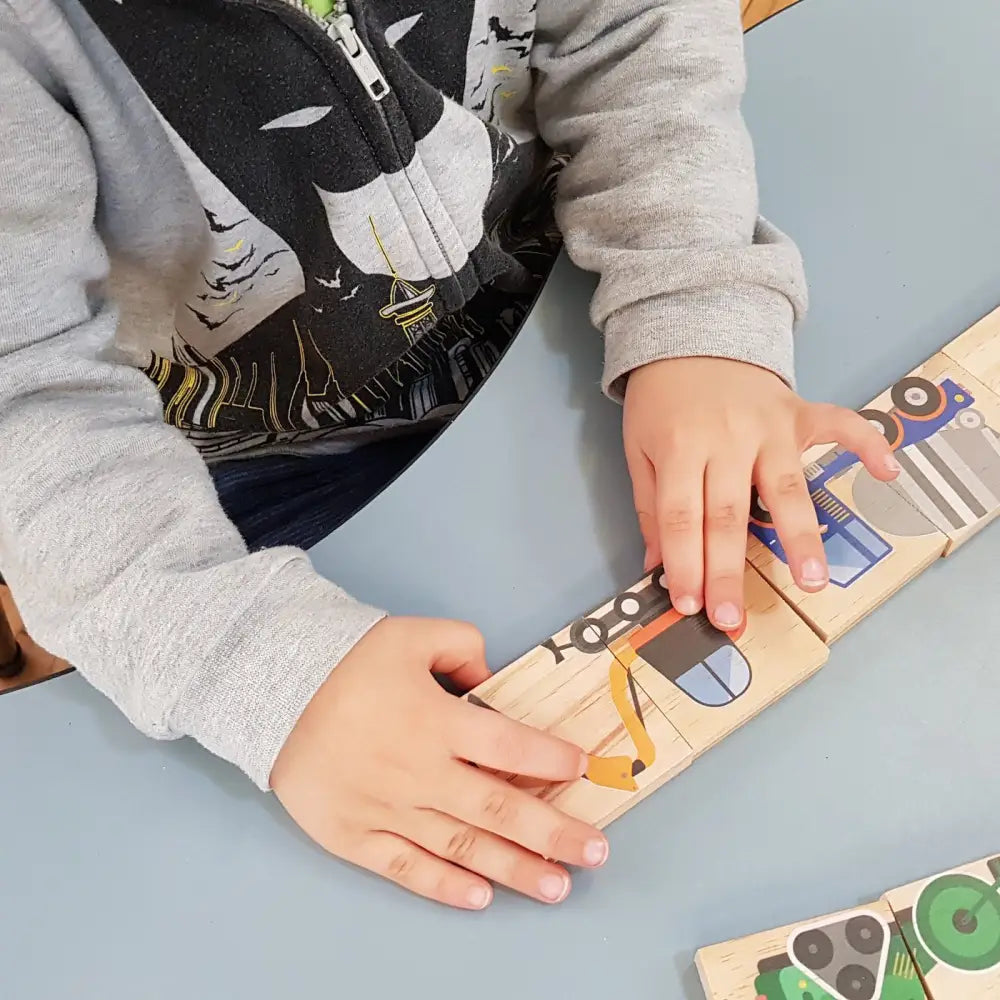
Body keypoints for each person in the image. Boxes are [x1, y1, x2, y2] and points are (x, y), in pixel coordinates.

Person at [0, 0, 899, 910]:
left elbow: (633, 26)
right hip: (252, 458)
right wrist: (251, 669)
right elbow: (23, 391)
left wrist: (693, 297)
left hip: (564, 299)